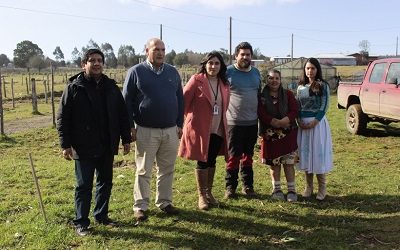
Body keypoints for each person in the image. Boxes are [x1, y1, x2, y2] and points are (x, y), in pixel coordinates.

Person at [56, 48, 132, 236]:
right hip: (83, 145)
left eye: (99, 60)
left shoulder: (111, 87)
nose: (97, 63)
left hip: (106, 143)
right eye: (92, 60)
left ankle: (101, 215)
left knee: (105, 182)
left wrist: (126, 139)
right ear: (84, 64)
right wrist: (65, 144)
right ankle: (81, 222)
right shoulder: (74, 87)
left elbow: (122, 115)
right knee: (84, 185)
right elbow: (63, 117)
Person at [122, 38, 184, 221]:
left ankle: (164, 202)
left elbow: (180, 100)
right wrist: (130, 126)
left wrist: (179, 124)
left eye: (163, 50)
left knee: (167, 168)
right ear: (147, 50)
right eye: (156, 49)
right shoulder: (136, 72)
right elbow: (126, 101)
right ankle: (140, 206)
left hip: (170, 129)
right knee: (143, 170)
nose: (160, 53)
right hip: (146, 129)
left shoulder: (172, 72)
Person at [178, 51, 230, 210]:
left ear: (221, 66)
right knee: (202, 160)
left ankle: (209, 193)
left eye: (217, 63)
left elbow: (224, 105)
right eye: (210, 63)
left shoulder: (224, 83)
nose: (213, 66)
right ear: (205, 65)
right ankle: (201, 196)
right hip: (201, 128)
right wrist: (189, 121)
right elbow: (183, 102)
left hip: (218, 128)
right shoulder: (196, 80)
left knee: (212, 160)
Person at [224, 42, 261, 198]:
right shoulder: (227, 72)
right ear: (236, 56)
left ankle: (248, 186)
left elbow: (259, 94)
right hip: (233, 122)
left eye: (248, 54)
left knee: (248, 156)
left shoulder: (256, 73)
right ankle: (230, 187)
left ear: (251, 56)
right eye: (242, 54)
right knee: (233, 156)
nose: (245, 57)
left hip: (252, 122)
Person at [258, 69, 299, 202]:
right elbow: (260, 112)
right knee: (274, 163)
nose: (274, 81)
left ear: (280, 80)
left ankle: (292, 190)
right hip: (270, 134)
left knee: (288, 163)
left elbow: (294, 110)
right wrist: (273, 121)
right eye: (271, 78)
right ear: (267, 80)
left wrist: (285, 120)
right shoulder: (261, 97)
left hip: (288, 133)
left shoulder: (288, 94)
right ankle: (277, 190)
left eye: (276, 78)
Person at [296, 57, 334, 201]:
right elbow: (298, 105)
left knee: (318, 153)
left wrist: (315, 121)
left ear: (317, 70)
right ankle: (308, 186)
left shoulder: (323, 85)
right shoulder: (300, 87)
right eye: (307, 68)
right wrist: (299, 120)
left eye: (312, 68)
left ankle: (322, 187)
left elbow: (325, 105)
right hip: (303, 125)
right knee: (306, 154)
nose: (310, 71)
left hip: (317, 125)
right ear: (304, 70)